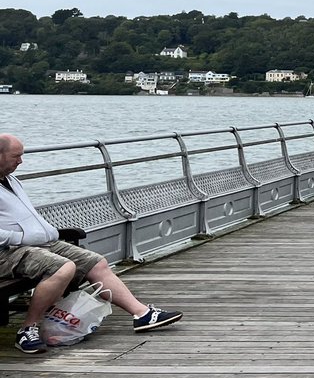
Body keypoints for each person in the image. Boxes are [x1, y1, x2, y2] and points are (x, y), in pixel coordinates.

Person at [0, 134, 183, 355]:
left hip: (38, 244)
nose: (21, 161)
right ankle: (28, 329)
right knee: (62, 268)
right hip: (7, 252)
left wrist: (45, 232)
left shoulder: (10, 180)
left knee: (95, 262)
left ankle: (142, 314)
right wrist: (22, 237)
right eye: (16, 156)